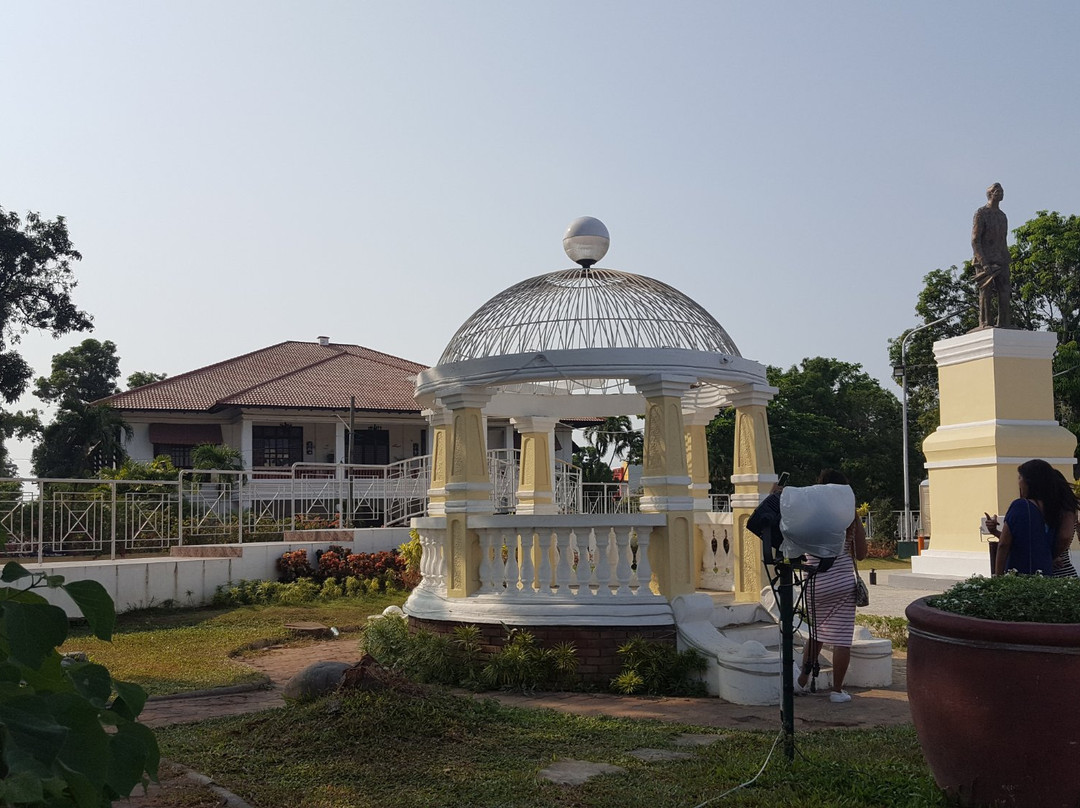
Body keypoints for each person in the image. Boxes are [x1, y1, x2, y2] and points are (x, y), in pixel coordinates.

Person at [795, 469, 867, 703]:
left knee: (816, 633)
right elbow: (862, 553)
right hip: (843, 580)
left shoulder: (810, 514)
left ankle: (803, 679)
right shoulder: (848, 514)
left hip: (816, 580)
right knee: (842, 639)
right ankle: (837, 690)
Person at [985, 459, 1078, 576]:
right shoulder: (1051, 510)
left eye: (1020, 478)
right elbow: (1029, 541)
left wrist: (1050, 555)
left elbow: (1005, 544)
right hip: (1051, 573)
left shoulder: (1023, 506)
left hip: (1052, 573)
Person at [971, 182, 1012, 329]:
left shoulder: (1002, 216)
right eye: (997, 191)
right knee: (986, 292)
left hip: (1001, 258)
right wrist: (984, 263)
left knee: (1005, 291)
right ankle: (985, 323)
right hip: (985, 259)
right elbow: (975, 240)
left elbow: (1003, 239)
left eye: (1001, 191)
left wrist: (1006, 258)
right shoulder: (981, 213)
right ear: (990, 194)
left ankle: (1004, 322)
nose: (1000, 193)